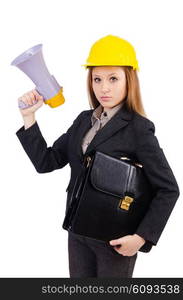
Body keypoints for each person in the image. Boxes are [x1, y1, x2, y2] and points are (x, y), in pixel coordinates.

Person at [16, 34, 180, 278]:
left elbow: (168, 189)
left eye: (113, 78)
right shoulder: (84, 121)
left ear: (129, 80)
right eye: (97, 79)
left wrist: (141, 237)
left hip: (115, 239)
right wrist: (29, 118)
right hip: (77, 232)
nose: (104, 87)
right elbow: (46, 162)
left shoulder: (138, 128)